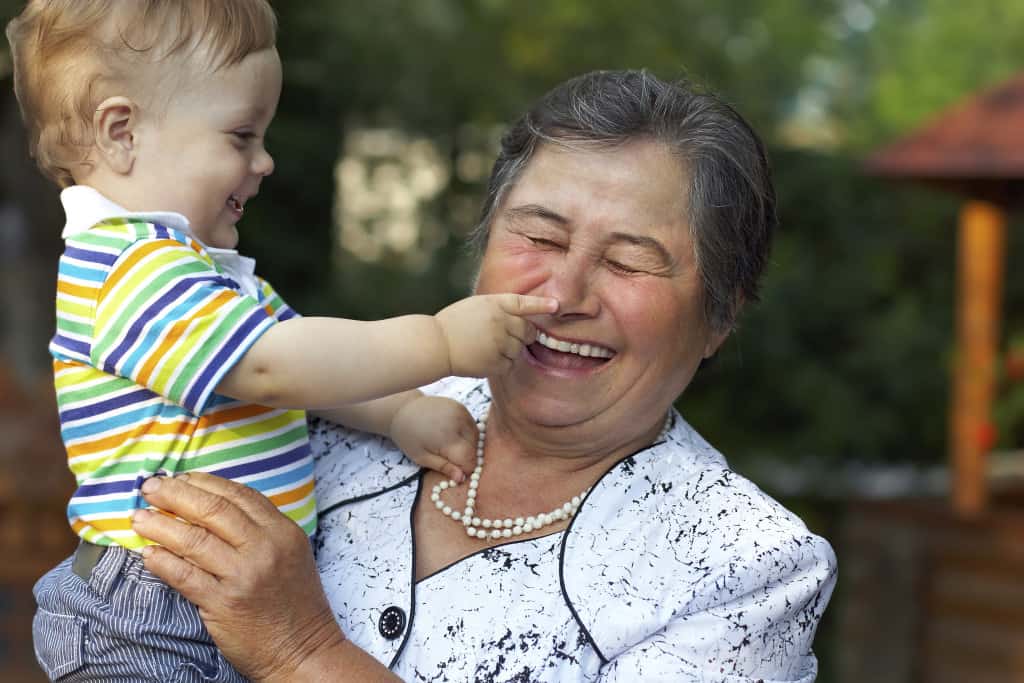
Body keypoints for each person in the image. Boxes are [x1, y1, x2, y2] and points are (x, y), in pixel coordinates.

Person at [133, 70, 838, 682]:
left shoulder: (744, 569)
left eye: (628, 261)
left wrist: (300, 652)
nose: (563, 295)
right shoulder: (331, 406)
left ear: (719, 316)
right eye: (539, 236)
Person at [8, 1, 556, 680]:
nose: (264, 162)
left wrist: (395, 411)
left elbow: (303, 363)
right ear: (122, 131)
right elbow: (274, 367)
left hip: (215, 603)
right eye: (241, 135)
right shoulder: (130, 270)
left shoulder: (202, 274)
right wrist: (440, 341)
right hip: (147, 614)